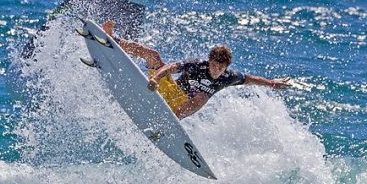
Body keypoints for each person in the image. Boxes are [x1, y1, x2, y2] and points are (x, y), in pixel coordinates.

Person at [102, 20, 292, 119]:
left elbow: (250, 79)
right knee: (152, 54)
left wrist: (272, 83)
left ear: (226, 67)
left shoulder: (228, 77)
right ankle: (112, 40)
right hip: (167, 90)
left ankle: (172, 122)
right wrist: (155, 79)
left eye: (221, 67)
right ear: (209, 61)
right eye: (214, 65)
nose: (217, 70)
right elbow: (170, 67)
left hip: (180, 107)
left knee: (202, 96)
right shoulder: (196, 64)